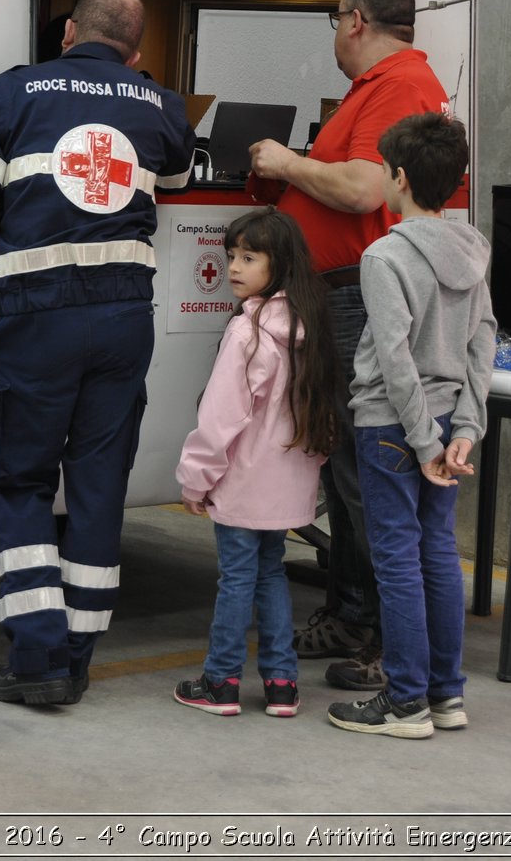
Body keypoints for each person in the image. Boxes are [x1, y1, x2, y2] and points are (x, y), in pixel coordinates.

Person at [0, 0, 195, 706]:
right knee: (98, 484)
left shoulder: (9, 94)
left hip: (33, 318)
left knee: (22, 480)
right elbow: (177, 173)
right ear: (137, 50)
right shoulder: (157, 102)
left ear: (65, 33)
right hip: (123, 320)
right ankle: (78, 655)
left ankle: (39, 656)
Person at [247, 0, 451, 692]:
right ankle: (353, 609)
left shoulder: (396, 84)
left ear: (357, 20)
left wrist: (288, 163)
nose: (335, 31)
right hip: (341, 296)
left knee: (367, 474)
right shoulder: (386, 86)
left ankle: (381, 638)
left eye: (335, 18)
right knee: (348, 466)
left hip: (358, 301)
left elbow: (365, 189)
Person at [325, 113, 496, 739]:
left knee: (396, 563)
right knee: (439, 557)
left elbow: (393, 359)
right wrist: (464, 430)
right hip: (449, 421)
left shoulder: (385, 255)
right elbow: (484, 341)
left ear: (397, 177)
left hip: (393, 428)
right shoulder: (474, 247)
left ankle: (404, 704)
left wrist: (423, 441)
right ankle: (446, 698)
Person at [171, 209, 338, 718]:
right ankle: (282, 684)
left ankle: (220, 681)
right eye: (230, 256)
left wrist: (195, 479)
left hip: (243, 483)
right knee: (270, 576)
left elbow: (221, 417)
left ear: (278, 263)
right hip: (287, 487)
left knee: (237, 579)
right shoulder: (310, 327)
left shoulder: (249, 332)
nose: (234, 268)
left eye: (249, 257)